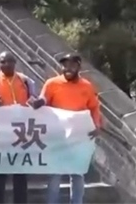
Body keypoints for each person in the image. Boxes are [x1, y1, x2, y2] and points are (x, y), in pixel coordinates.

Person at [31, 53, 101, 204]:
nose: (68, 68)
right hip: (58, 136)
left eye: (72, 65)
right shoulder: (52, 83)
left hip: (79, 136)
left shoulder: (87, 86)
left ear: (79, 67)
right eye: (65, 65)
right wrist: (39, 102)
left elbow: (94, 107)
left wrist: (97, 125)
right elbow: (44, 98)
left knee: (77, 175)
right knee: (55, 174)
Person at [0, 52, 37, 204]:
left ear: (15, 63)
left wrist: (34, 101)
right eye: (3, 62)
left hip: (20, 133)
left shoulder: (25, 81)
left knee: (20, 174)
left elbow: (35, 98)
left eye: (10, 61)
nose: (6, 64)